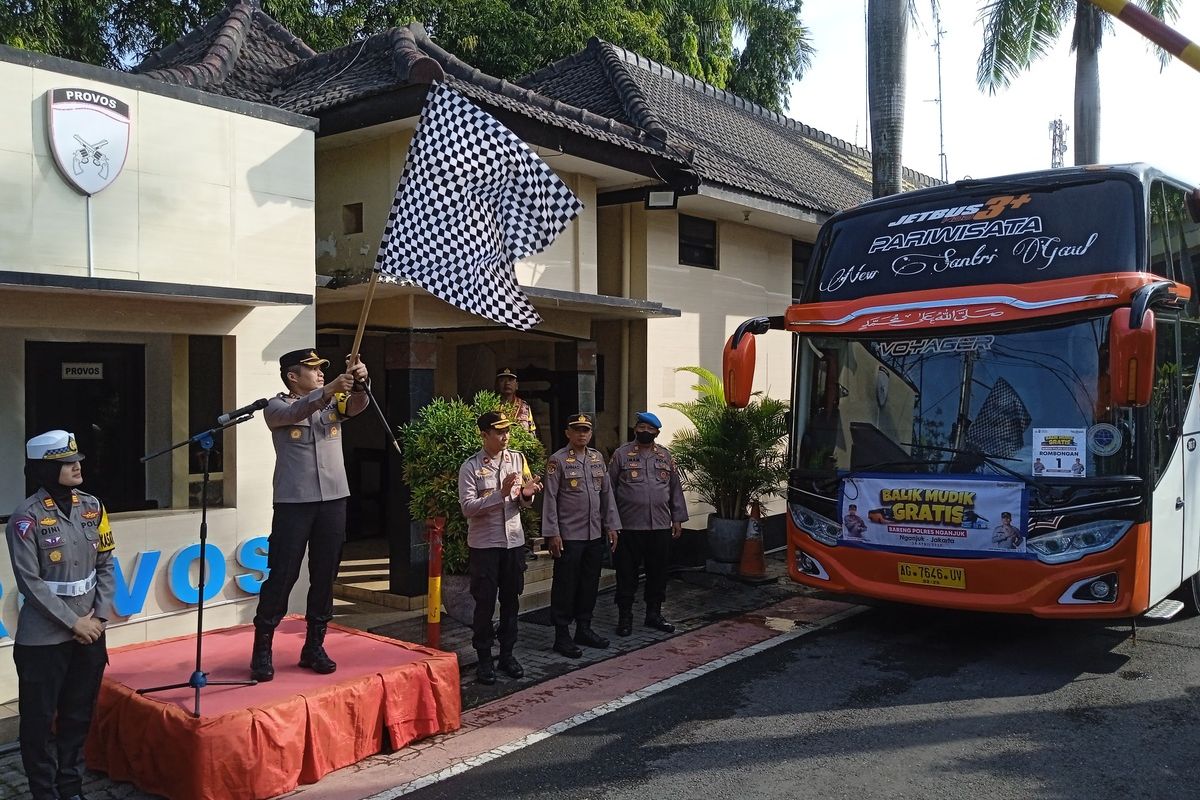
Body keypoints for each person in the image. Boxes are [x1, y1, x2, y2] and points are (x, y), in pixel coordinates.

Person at [5, 430, 116, 800]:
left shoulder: (93, 507)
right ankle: (43, 792)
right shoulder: (25, 518)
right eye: (66, 463)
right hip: (44, 639)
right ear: (45, 470)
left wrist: (99, 618)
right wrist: (75, 623)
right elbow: (30, 582)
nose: (76, 466)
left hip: (90, 634)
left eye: (76, 459)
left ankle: (70, 787)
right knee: (38, 724)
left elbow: (106, 564)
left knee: (77, 717)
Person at [249, 348, 369, 682]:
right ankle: (262, 648)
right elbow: (302, 408)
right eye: (313, 369)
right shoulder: (276, 406)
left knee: (324, 574)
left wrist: (359, 383)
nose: (319, 374)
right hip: (294, 503)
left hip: (333, 500)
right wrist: (329, 388)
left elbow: (356, 407)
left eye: (322, 370)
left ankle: (314, 645)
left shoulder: (333, 402)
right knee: (283, 575)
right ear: (292, 376)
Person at [458, 411, 543, 684]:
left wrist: (527, 495)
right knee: (484, 603)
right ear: (484, 435)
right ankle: (484, 658)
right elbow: (467, 508)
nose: (505, 437)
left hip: (513, 543)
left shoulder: (517, 459)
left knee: (511, 600)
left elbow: (522, 500)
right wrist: (500, 495)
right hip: (485, 546)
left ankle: (507, 654)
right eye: (499, 432)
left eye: (507, 431)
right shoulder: (470, 467)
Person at [542, 413, 621, 658]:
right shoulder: (558, 460)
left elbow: (606, 495)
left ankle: (584, 628)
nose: (582, 434)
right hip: (569, 536)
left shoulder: (597, 459)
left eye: (586, 430)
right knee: (565, 585)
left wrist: (612, 526)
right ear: (568, 433)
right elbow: (550, 499)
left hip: (594, 534)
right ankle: (562, 635)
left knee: (589, 583)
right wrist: (552, 533)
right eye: (577, 430)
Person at [608, 411, 688, 637]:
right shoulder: (621, 455)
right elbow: (609, 490)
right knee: (626, 575)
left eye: (649, 429)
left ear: (656, 432)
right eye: (641, 427)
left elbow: (675, 489)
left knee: (658, 573)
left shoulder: (664, 455)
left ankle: (654, 614)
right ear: (635, 429)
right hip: (629, 527)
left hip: (660, 526)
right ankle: (625, 617)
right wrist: (611, 523)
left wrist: (677, 518)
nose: (645, 431)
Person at [495, 368, 537, 434]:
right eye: (502, 380)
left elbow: (532, 433)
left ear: (517, 385)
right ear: (496, 385)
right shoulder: (490, 405)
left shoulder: (524, 407)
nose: (507, 383)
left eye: (510, 380)